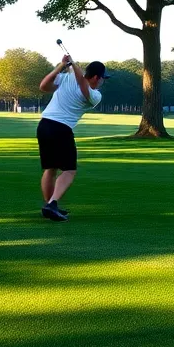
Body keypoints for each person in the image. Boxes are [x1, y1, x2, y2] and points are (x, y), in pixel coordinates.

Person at [36, 53, 108, 222]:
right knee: (69, 170)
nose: (104, 81)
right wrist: (62, 65)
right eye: (104, 78)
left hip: (44, 126)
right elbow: (44, 86)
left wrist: (69, 67)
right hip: (60, 129)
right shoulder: (91, 91)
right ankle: (52, 203)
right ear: (97, 78)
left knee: (51, 169)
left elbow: (83, 86)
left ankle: (50, 206)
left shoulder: (91, 93)